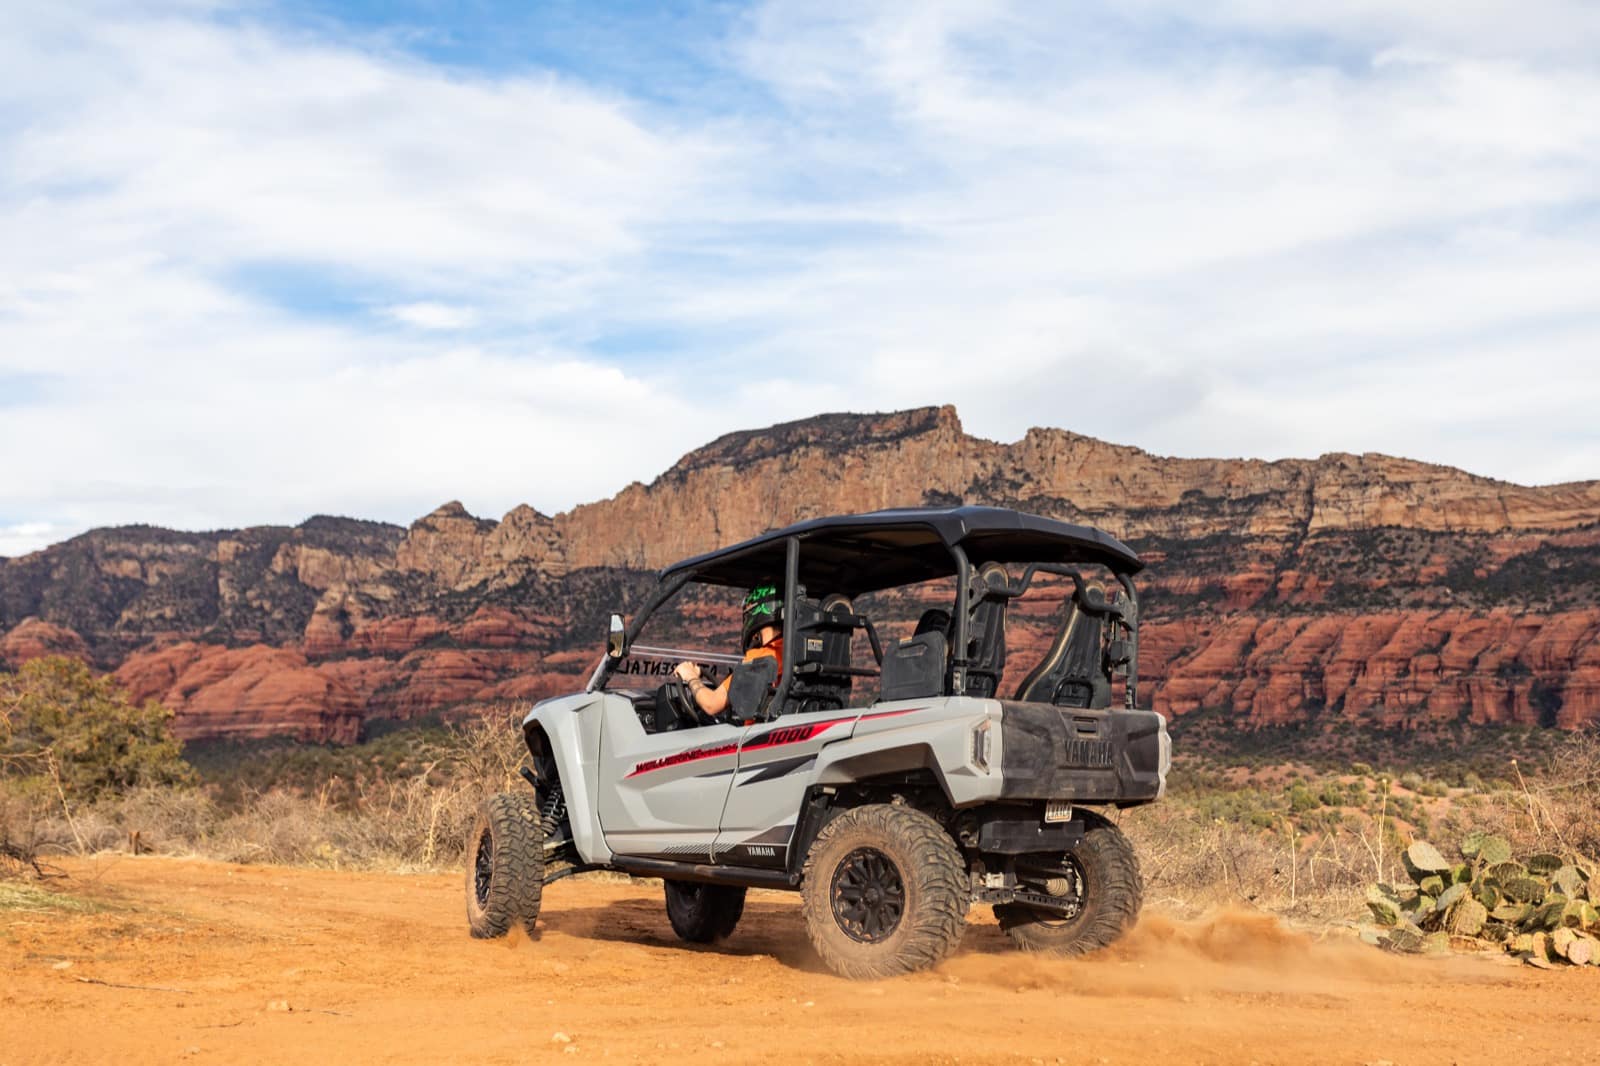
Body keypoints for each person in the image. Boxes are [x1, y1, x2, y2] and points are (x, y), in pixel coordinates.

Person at [672, 581, 784, 719]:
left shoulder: (762, 658)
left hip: (756, 732)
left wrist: (690, 676)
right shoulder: (792, 653)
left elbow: (711, 704)